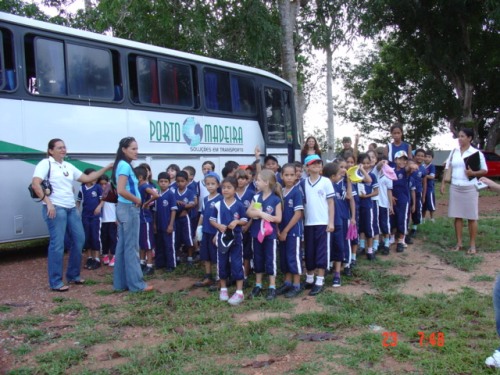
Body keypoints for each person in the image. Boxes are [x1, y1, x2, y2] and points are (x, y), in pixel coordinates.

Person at [31, 138, 112, 292]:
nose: (63, 150)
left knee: (80, 240)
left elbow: (87, 178)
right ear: (50, 150)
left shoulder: (67, 165)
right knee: (58, 244)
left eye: (64, 147)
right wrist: (48, 203)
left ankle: (73, 275)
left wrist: (106, 168)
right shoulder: (45, 164)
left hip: (70, 208)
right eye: (59, 148)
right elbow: (36, 184)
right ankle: (55, 282)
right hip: (56, 208)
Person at [112, 137, 153, 293]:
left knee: (122, 247)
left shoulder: (121, 164)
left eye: (137, 148)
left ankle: (121, 283)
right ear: (124, 149)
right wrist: (137, 199)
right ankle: (137, 285)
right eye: (133, 149)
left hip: (124, 208)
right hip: (129, 208)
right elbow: (121, 190)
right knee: (131, 248)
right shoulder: (124, 166)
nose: (136, 151)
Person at [440, 128, 487, 254]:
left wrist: (473, 173)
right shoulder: (454, 152)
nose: (459, 139)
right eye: (459, 136)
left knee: (471, 217)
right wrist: (443, 183)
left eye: (462, 136)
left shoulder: (476, 153)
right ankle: (459, 243)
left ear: (469, 138)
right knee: (457, 216)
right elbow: (448, 167)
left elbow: (484, 170)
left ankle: (472, 245)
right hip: (455, 186)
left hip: (470, 187)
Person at [210, 176, 248, 305]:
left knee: (237, 263)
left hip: (236, 238)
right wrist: (218, 226)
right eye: (224, 187)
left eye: (229, 187)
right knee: (222, 263)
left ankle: (239, 292)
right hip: (222, 239)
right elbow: (212, 220)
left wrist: (237, 221)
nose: (225, 190)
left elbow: (245, 220)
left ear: (235, 189)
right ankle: (223, 288)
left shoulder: (239, 204)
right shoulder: (217, 205)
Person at [300, 154, 334, 296]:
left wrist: (330, 221)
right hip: (308, 223)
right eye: (313, 164)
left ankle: (320, 280)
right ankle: (309, 278)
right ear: (307, 167)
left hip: (322, 222)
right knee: (309, 252)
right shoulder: (303, 183)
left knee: (321, 252)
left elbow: (331, 203)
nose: (316, 166)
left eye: (319, 163)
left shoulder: (325, 181)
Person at [247, 169, 282, 301]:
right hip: (256, 234)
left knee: (270, 259)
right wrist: (260, 214)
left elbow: (278, 219)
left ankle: (272, 286)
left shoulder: (276, 199)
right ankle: (258, 284)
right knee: (258, 258)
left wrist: (268, 217)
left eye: (259, 180)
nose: (256, 182)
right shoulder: (256, 197)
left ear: (266, 182)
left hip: (270, 235)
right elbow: (249, 213)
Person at [276, 163, 304, 298]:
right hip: (281, 231)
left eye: (291, 175)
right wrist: (278, 229)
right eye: (286, 175)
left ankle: (297, 285)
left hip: (292, 231)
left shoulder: (296, 192)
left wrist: (286, 230)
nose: (289, 177)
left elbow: (298, 214)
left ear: (296, 176)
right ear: (281, 176)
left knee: (294, 258)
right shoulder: (280, 192)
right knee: (285, 258)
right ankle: (287, 283)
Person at [323, 161, 350, 287]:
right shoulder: (324, 186)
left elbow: (349, 196)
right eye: (339, 174)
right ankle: (323, 272)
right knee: (325, 248)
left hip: (338, 221)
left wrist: (349, 181)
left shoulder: (339, 186)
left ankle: (337, 274)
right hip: (326, 222)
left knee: (339, 247)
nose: (341, 176)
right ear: (333, 176)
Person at [195, 172, 222, 287]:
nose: (210, 186)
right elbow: (202, 215)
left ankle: (219, 278)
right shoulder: (205, 199)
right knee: (206, 256)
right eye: (208, 184)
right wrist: (198, 228)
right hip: (205, 231)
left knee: (216, 256)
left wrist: (218, 233)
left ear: (218, 185)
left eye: (213, 184)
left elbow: (221, 217)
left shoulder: (221, 199)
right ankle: (208, 277)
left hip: (214, 233)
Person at [77, 168, 104, 271]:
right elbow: (79, 201)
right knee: (86, 237)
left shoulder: (97, 187)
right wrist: (76, 210)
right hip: (85, 216)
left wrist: (99, 207)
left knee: (95, 236)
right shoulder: (82, 188)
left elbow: (103, 200)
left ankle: (97, 258)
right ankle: (89, 257)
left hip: (95, 217)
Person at [136, 165, 159, 276]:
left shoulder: (145, 185)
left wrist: (146, 203)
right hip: (139, 217)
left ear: (140, 177)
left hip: (145, 217)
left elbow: (155, 195)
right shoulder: (138, 185)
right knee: (142, 242)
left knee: (148, 243)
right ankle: (142, 262)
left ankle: (150, 265)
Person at [391, 151, 416, 253]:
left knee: (402, 219)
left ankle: (401, 241)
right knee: (392, 219)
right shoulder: (391, 170)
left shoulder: (405, 171)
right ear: (395, 160)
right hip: (392, 199)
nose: (402, 161)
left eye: (404, 159)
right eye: (399, 159)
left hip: (403, 200)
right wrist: (391, 196)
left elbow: (409, 169)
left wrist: (412, 166)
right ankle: (391, 238)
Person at [154, 172, 177, 272]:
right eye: (161, 181)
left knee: (169, 246)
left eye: (165, 181)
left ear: (169, 182)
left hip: (167, 225)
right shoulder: (156, 195)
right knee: (159, 245)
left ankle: (171, 265)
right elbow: (154, 211)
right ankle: (160, 263)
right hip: (158, 225)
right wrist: (154, 224)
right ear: (158, 182)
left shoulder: (171, 194)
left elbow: (173, 210)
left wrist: (171, 225)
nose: (163, 183)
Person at [357, 153, 379, 260]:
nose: (365, 165)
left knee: (369, 228)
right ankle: (361, 247)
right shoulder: (356, 174)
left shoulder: (372, 176)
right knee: (360, 227)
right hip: (357, 205)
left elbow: (376, 192)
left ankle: (370, 250)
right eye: (363, 163)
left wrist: (366, 196)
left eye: (367, 163)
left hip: (367, 205)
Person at [173, 170, 197, 265]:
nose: (180, 183)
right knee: (177, 238)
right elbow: (173, 204)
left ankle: (190, 257)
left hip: (186, 218)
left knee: (188, 237)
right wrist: (181, 205)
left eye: (182, 181)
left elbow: (192, 204)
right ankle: (178, 257)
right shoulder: (174, 192)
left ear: (187, 181)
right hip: (176, 218)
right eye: (178, 181)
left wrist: (181, 205)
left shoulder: (190, 192)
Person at [98, 175, 117, 267]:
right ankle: (105, 255)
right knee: (104, 238)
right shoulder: (98, 192)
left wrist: (117, 218)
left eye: (105, 184)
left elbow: (118, 206)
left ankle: (114, 255)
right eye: (101, 184)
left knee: (113, 238)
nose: (104, 186)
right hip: (102, 220)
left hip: (112, 219)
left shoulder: (113, 192)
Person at [408, 149, 427, 239]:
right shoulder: (410, 166)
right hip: (408, 191)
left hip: (418, 192)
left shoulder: (423, 169)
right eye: (418, 155)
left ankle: (414, 228)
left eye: (422, 156)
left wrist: (423, 196)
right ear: (414, 156)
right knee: (407, 209)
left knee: (416, 210)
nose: (420, 157)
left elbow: (424, 183)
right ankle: (405, 227)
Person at [422, 150, 436, 222]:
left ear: (432, 158)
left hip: (429, 188)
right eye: (425, 157)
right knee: (423, 203)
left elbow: (432, 176)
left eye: (429, 157)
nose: (427, 158)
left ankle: (432, 218)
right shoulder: (422, 166)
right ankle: (423, 218)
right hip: (422, 188)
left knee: (431, 203)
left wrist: (423, 175)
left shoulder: (432, 166)